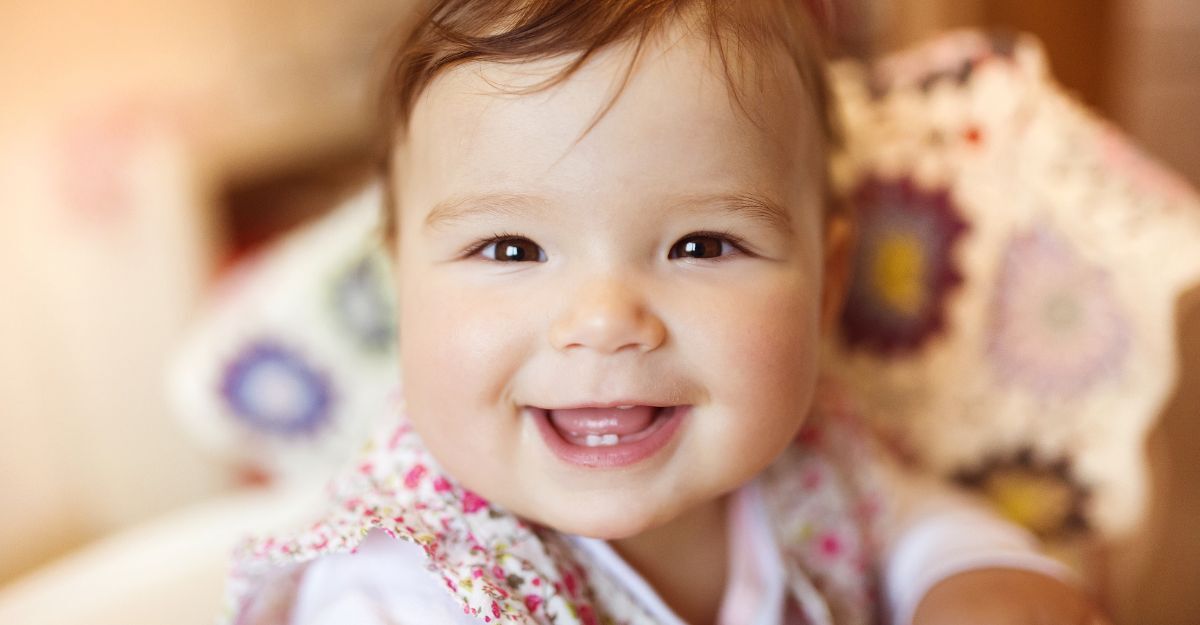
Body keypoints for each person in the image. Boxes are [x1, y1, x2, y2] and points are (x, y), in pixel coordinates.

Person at [221, 1, 1111, 623]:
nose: (606, 318)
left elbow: (910, 520)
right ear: (399, 288)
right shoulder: (405, 586)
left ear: (826, 286)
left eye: (702, 245)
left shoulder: (806, 464)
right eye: (511, 250)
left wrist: (977, 578)